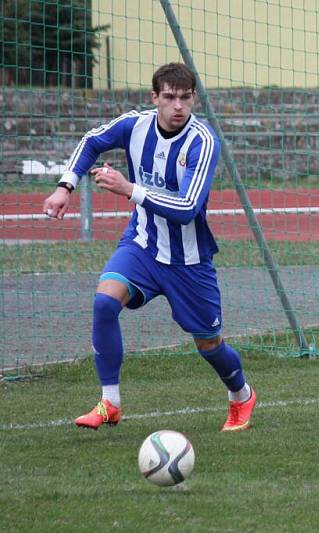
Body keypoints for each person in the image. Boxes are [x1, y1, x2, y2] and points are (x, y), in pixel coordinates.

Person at [42, 62, 256, 432]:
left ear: (193, 99)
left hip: (188, 261)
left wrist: (129, 189)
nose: (178, 107)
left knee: (209, 344)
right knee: (105, 302)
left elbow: (188, 208)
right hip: (142, 244)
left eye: (185, 99)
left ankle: (241, 395)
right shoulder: (135, 125)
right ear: (154, 98)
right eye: (169, 98)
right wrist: (66, 186)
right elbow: (92, 141)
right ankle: (110, 402)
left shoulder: (202, 142)